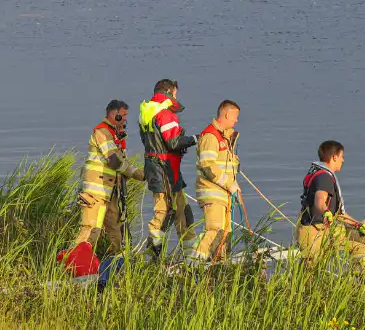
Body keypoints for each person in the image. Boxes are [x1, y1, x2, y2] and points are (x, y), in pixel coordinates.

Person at [138, 79, 199, 260]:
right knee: (164, 212)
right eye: (175, 94)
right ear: (169, 93)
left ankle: (191, 256)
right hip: (164, 169)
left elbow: (155, 142)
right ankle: (154, 256)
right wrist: (196, 138)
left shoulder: (147, 113)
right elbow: (173, 142)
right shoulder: (165, 114)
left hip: (158, 167)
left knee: (181, 210)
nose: (175, 97)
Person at [75, 99, 144, 257]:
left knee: (115, 234)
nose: (126, 119)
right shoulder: (102, 132)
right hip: (96, 193)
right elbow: (114, 161)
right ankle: (76, 269)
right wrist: (138, 173)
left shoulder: (115, 135)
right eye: (123, 115)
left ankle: (112, 269)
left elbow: (121, 163)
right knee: (90, 232)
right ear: (115, 114)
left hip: (110, 193)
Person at [296, 140, 365, 266]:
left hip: (322, 229)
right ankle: (360, 278)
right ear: (334, 157)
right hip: (314, 233)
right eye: (342, 157)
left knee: (361, 245)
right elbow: (319, 201)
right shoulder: (324, 178)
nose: (343, 161)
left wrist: (358, 225)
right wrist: (325, 212)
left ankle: (359, 279)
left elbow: (338, 214)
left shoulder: (317, 173)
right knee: (311, 272)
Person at [194, 100, 241, 262]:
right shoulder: (211, 136)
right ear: (227, 114)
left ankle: (218, 264)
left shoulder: (224, 137)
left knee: (224, 233)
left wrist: (233, 187)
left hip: (224, 194)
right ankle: (193, 265)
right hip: (212, 192)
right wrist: (229, 184)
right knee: (214, 230)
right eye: (235, 117)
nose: (236, 121)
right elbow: (208, 165)